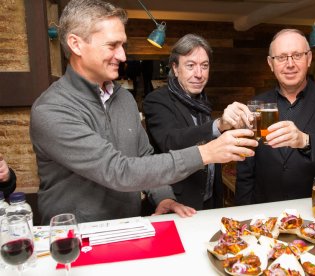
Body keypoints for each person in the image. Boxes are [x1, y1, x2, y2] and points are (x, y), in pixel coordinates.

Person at [30, 0, 257, 224]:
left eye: (123, 46)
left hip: (131, 228)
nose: (122, 56)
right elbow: (117, 171)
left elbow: (143, 156)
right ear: (76, 44)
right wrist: (205, 153)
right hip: (77, 240)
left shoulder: (124, 98)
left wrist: (163, 196)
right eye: (112, 46)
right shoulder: (52, 109)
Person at [235, 29, 315, 208]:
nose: (290, 64)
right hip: (265, 215)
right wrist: (244, 213)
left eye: (297, 55)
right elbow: (245, 171)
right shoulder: (256, 105)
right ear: (271, 63)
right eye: (282, 57)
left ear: (309, 58)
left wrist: (306, 141)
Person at [143, 34, 252, 217]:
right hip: (175, 204)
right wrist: (217, 125)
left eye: (204, 66)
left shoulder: (201, 101)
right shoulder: (157, 100)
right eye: (191, 65)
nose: (199, 74)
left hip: (209, 201)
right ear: (175, 68)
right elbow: (171, 141)